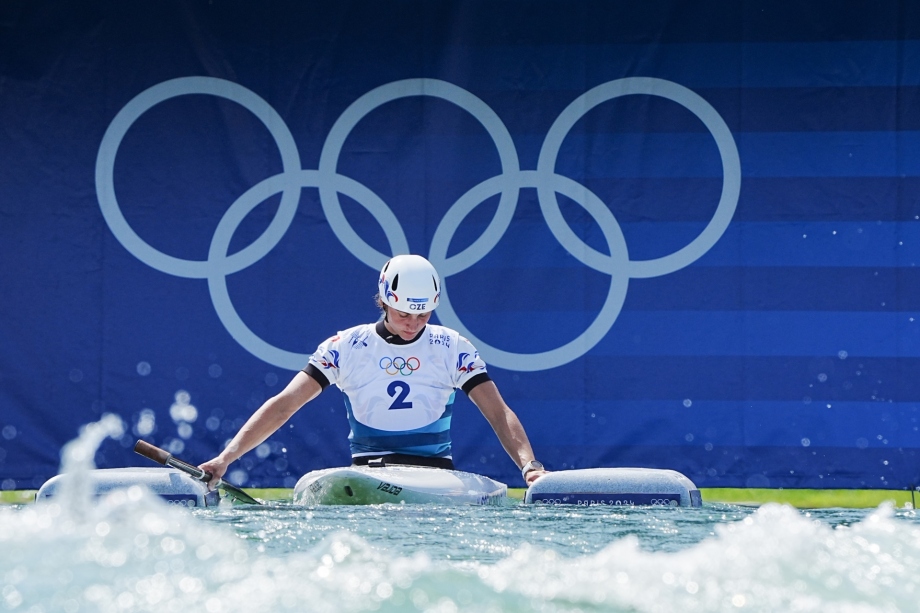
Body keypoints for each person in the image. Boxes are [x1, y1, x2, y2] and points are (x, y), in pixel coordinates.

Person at [199, 254, 548, 488]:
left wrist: (529, 465)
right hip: (368, 474)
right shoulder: (345, 346)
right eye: (403, 314)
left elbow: (498, 413)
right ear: (384, 300)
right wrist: (227, 457)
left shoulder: (452, 346)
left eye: (423, 314)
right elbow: (285, 404)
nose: (414, 324)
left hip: (435, 481)